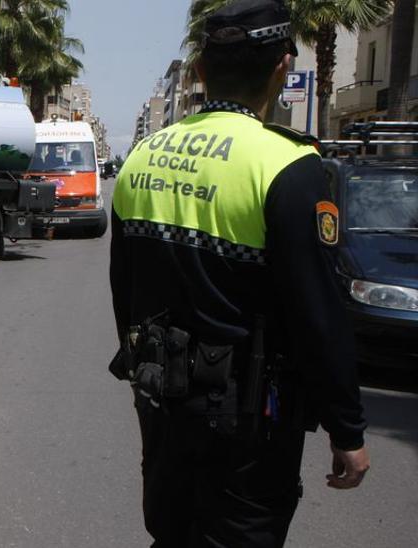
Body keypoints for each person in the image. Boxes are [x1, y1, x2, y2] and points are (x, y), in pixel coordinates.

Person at [108, 1, 369, 545]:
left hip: (162, 401)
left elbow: (123, 291)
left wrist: (143, 371)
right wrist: (346, 427)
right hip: (250, 423)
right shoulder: (288, 166)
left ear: (201, 71)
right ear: (282, 67)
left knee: (171, 532)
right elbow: (318, 313)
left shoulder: (142, 157)